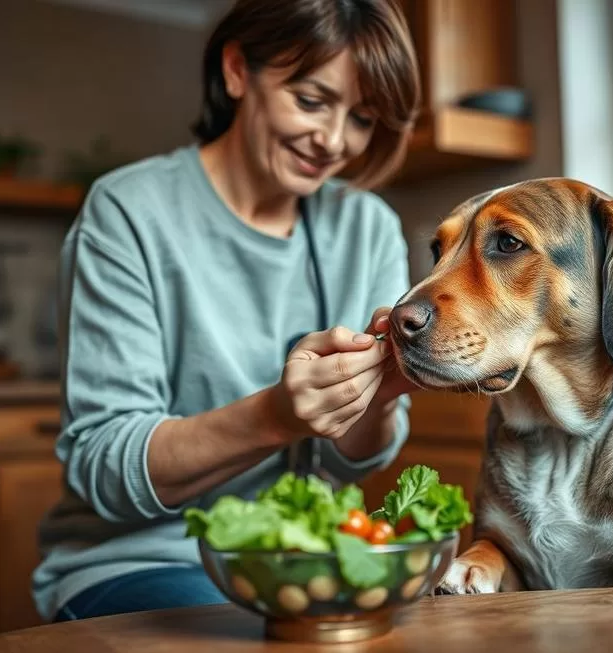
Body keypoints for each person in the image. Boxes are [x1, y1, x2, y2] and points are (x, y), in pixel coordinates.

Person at [31, 0, 422, 623]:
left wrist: (377, 398)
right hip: (143, 560)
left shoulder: (368, 227)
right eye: (312, 100)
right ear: (238, 70)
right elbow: (104, 465)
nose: (333, 141)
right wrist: (276, 414)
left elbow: (357, 458)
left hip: (297, 560)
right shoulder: (128, 212)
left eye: (363, 118)